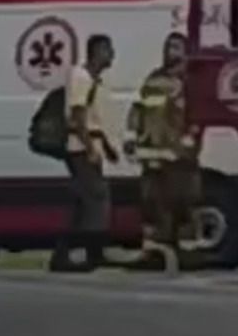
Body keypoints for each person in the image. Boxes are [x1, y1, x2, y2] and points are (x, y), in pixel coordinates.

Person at [124, 32, 202, 271]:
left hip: (179, 158)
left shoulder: (192, 82)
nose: (171, 51)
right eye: (169, 46)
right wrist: (131, 138)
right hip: (151, 155)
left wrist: (189, 143)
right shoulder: (153, 80)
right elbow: (137, 111)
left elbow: (198, 116)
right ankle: (152, 254)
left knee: (184, 205)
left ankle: (188, 255)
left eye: (177, 47)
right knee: (152, 206)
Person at [50, 34, 119, 271]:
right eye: (108, 50)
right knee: (97, 198)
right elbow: (79, 116)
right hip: (81, 149)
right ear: (97, 51)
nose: (112, 55)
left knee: (87, 202)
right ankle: (90, 253)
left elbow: (93, 118)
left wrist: (107, 148)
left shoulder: (94, 80)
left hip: (90, 146)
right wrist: (90, 148)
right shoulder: (81, 77)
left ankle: (82, 254)